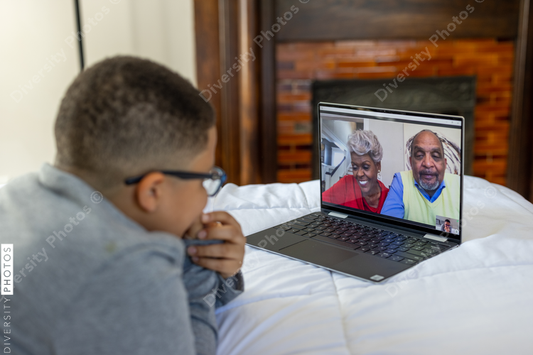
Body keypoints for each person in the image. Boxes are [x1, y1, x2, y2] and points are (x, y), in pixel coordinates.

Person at [0, 56, 245, 355]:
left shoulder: (14, 195)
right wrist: (197, 270)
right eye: (205, 178)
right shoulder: (127, 264)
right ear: (153, 191)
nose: (207, 193)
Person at [381, 129, 460, 225]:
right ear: (411, 162)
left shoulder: (459, 184)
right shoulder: (400, 181)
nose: (427, 163)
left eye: (435, 155)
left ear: (445, 163)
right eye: (419, 155)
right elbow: (388, 229)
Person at [322, 130, 389, 213]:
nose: (359, 174)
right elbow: (319, 205)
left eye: (365, 167)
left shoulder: (389, 198)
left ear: (378, 165)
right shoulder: (346, 184)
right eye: (355, 167)